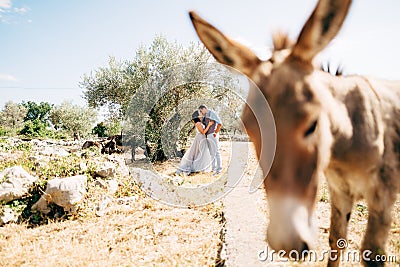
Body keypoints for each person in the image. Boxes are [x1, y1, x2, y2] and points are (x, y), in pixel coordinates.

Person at [176, 110, 214, 175]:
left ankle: (202, 166)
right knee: (201, 152)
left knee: (202, 152)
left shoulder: (200, 122)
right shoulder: (198, 123)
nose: (201, 114)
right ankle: (199, 167)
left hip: (202, 138)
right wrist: (209, 125)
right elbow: (203, 132)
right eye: (199, 113)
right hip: (200, 138)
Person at [198, 104, 222, 175]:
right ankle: (213, 169)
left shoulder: (212, 113)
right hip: (208, 136)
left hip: (212, 135)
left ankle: (219, 170)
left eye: (201, 110)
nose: (201, 112)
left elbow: (220, 123)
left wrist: (216, 132)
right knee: (212, 153)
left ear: (205, 108)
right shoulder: (205, 116)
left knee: (216, 152)